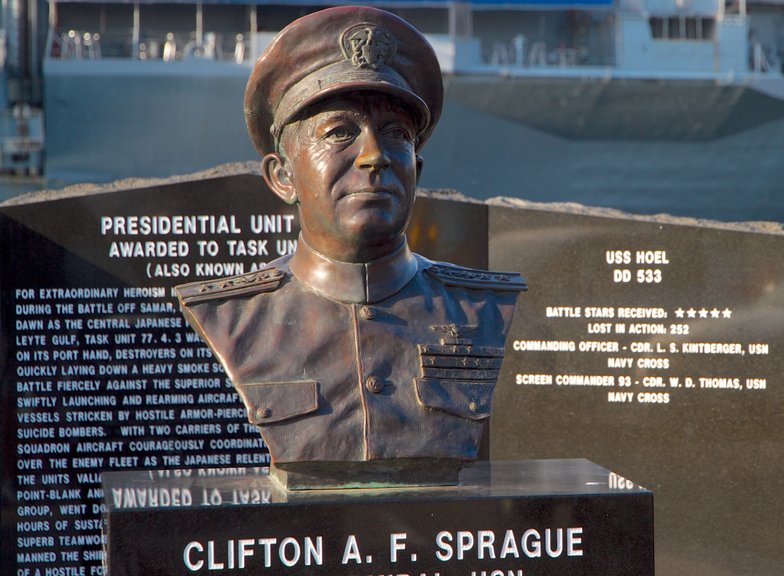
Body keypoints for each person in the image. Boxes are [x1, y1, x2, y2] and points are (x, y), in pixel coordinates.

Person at [175, 6, 525, 489]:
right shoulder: (234, 316)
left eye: (396, 135)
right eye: (340, 132)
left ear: (416, 172)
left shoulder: (481, 308)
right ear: (282, 177)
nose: (375, 156)